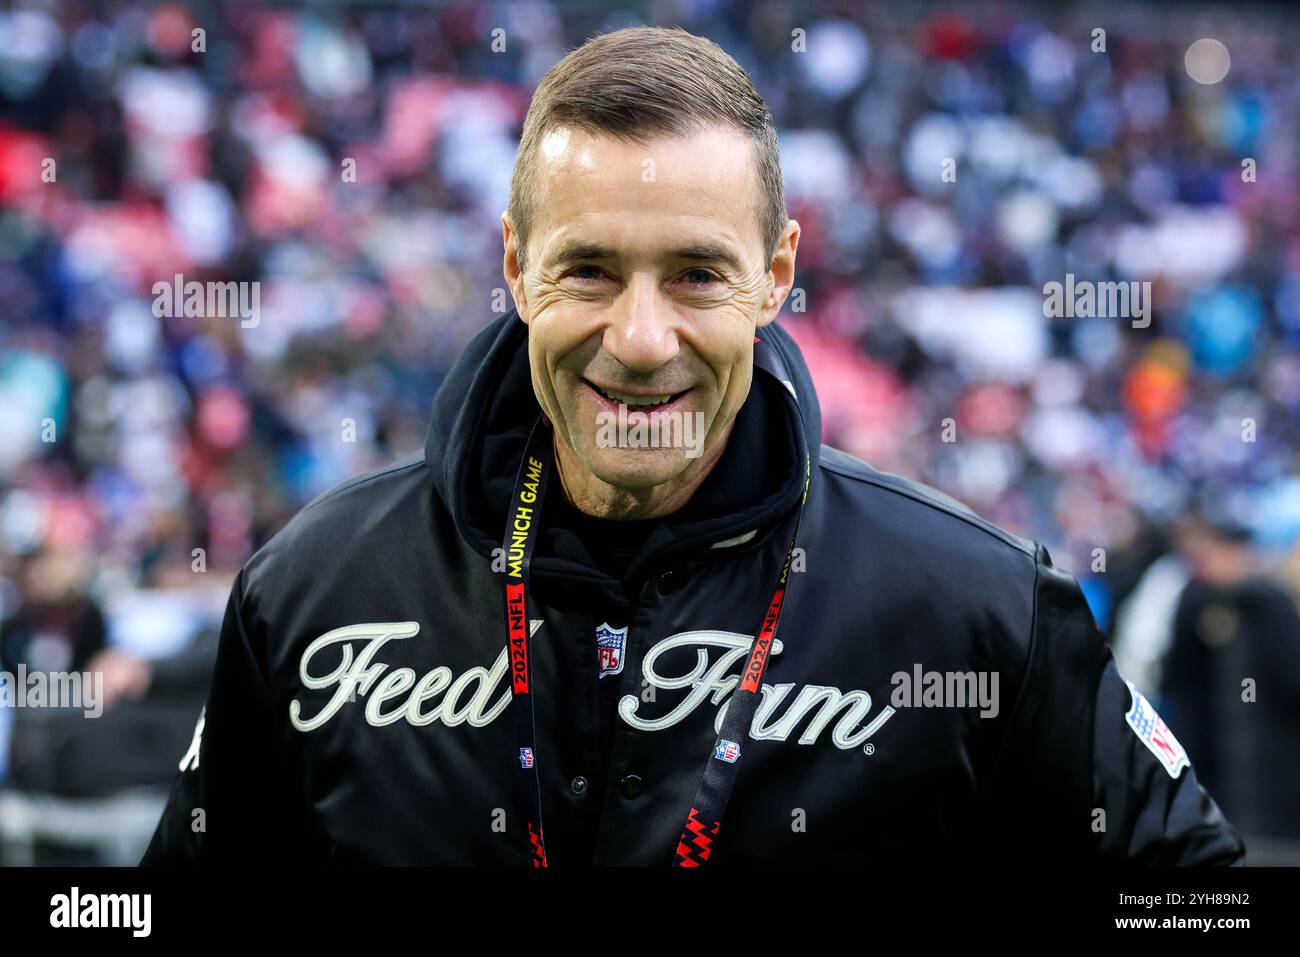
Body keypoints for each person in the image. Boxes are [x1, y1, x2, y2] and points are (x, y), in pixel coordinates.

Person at [141, 26, 1243, 866]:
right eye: (589, 270)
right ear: (516, 264)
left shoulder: (976, 605)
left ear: (777, 273)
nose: (639, 338)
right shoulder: (316, 591)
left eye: (696, 274)